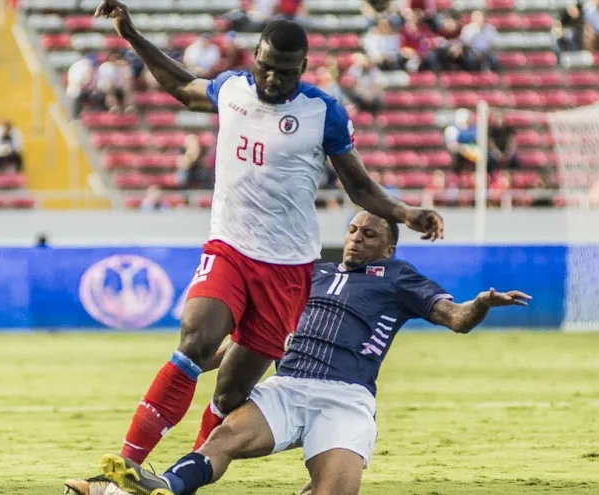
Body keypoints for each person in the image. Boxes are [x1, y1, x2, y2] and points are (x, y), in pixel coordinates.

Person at [81, 0, 445, 473]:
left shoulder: (323, 113)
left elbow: (357, 186)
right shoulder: (231, 89)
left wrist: (405, 212)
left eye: (286, 73)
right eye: (267, 68)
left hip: (287, 269)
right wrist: (130, 34)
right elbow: (178, 84)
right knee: (195, 339)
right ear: (254, 56)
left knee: (231, 392)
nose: (273, 80)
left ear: (304, 68)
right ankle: (120, 472)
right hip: (229, 247)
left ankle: (180, 478)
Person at [65, 211, 529, 495]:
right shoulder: (311, 276)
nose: (355, 238)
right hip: (288, 387)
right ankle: (163, 485)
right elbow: (253, 339)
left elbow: (455, 318)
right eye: (351, 229)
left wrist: (481, 305)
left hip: (347, 398)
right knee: (223, 440)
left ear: (388, 245)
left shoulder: (399, 276)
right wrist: (192, 364)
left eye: (368, 234)